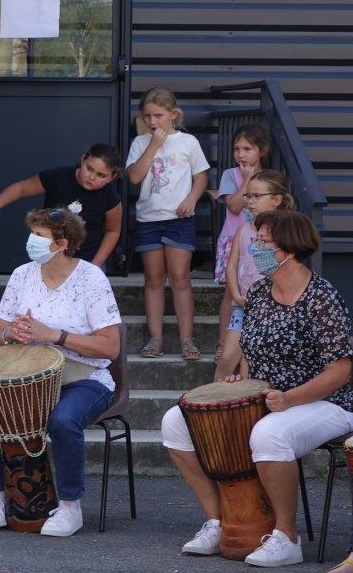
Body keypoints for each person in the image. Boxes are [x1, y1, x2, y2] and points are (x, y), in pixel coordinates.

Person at [161, 210, 353, 567]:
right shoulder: (260, 292)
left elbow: (340, 371)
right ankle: (219, 520)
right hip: (268, 397)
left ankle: (286, 537)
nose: (256, 248)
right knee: (175, 421)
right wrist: (242, 383)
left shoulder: (321, 297)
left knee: (269, 435)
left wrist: (291, 397)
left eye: (264, 242)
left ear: (289, 250)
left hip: (328, 402)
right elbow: (252, 352)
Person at [0, 207, 122, 538]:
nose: (31, 241)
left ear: (62, 243)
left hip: (85, 379)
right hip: (31, 380)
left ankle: (70, 506)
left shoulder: (90, 278)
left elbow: (110, 348)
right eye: (31, 232)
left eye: (40, 236)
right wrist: (12, 334)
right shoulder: (22, 275)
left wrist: (55, 335)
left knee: (63, 420)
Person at [126, 86, 211, 360]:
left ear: (173, 114)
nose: (153, 122)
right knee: (153, 279)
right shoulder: (140, 143)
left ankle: (187, 340)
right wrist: (153, 145)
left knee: (180, 278)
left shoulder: (188, 142)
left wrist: (192, 199)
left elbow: (201, 177)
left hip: (179, 219)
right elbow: (135, 177)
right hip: (149, 219)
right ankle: (155, 339)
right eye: (147, 116)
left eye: (158, 115)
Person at [0, 143, 124, 269]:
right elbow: (22, 188)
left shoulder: (110, 196)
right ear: (82, 160)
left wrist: (96, 263)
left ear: (111, 178)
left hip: (87, 260)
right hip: (50, 254)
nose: (92, 177)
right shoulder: (58, 177)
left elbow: (113, 231)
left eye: (101, 175)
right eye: (89, 168)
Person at [216, 170, 294, 379]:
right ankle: (211, 406)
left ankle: (250, 407)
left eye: (257, 196)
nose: (250, 201)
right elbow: (231, 266)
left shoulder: (284, 233)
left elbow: (285, 271)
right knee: (226, 359)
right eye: (247, 196)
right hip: (243, 306)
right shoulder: (243, 230)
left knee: (254, 363)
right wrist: (236, 295)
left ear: (276, 200)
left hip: (273, 309)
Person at [213, 123, 270, 365]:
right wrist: (246, 180)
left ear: (262, 151)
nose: (241, 154)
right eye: (237, 148)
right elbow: (235, 206)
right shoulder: (230, 175)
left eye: (247, 148)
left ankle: (253, 342)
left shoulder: (269, 178)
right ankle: (223, 342)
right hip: (233, 242)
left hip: (260, 243)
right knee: (231, 293)